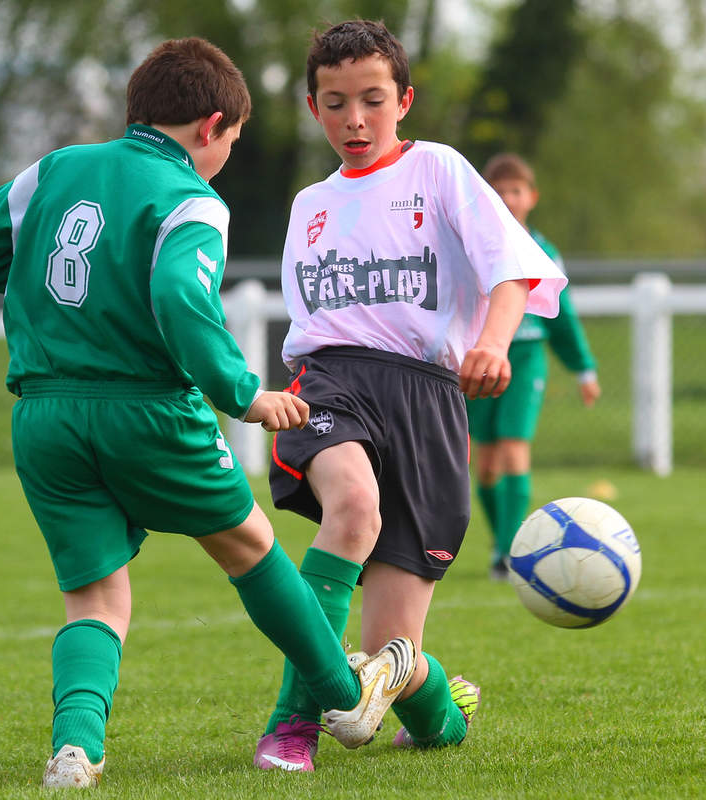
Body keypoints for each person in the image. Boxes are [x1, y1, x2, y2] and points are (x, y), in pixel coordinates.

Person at [0, 37, 418, 789]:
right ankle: (346, 699)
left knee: (94, 598)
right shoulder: (192, 198)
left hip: (43, 415)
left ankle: (75, 749)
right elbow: (178, 298)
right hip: (145, 410)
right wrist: (244, 392)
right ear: (211, 126)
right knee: (252, 551)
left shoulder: (57, 169)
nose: (226, 154)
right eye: (231, 140)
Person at [253, 20, 567, 771]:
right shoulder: (309, 205)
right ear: (312, 107)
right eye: (334, 103)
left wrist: (491, 344)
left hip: (427, 401)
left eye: (371, 100)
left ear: (404, 100)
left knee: (386, 657)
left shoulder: (441, 171)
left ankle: (438, 708)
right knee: (352, 508)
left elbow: (511, 272)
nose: (354, 120)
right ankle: (289, 724)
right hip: (332, 383)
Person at [472, 153, 600, 582]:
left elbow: (562, 315)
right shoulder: (474, 246)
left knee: (513, 449)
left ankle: (509, 552)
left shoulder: (543, 252)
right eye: (500, 190)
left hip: (525, 359)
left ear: (532, 197)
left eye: (516, 190)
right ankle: (500, 542)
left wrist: (583, 368)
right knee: (484, 464)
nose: (508, 198)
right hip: (480, 363)